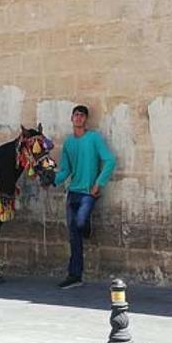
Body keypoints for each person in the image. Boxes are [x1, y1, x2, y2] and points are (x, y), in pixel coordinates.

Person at [52, 105, 116, 289]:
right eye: (76, 115)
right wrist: (52, 181)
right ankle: (75, 275)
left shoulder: (94, 138)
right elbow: (65, 170)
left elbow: (110, 160)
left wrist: (99, 183)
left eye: (82, 115)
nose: (79, 118)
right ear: (71, 118)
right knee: (74, 236)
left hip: (89, 193)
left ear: (85, 120)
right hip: (73, 193)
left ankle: (86, 226)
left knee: (80, 224)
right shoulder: (69, 143)